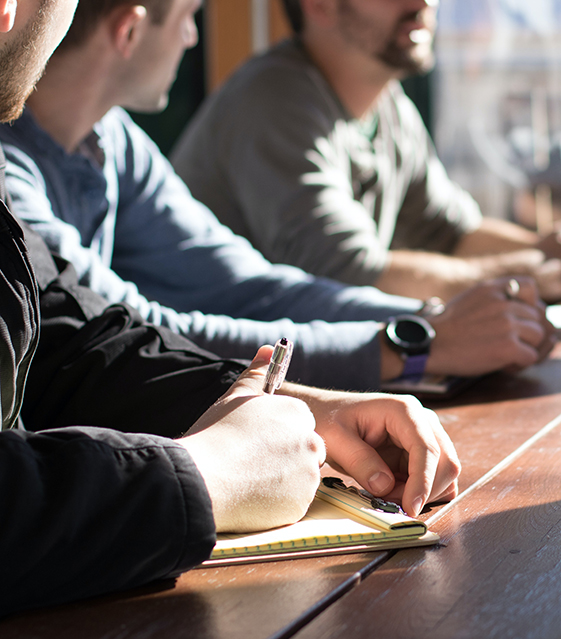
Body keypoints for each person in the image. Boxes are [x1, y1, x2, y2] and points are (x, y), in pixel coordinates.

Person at [0, 0, 463, 619]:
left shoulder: (110, 142)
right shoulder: (276, 98)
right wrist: (205, 474)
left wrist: (289, 404)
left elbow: (76, 339)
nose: (194, 36)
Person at [0, 0, 555, 391]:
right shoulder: (10, 177)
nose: (194, 37)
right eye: (193, 15)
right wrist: (415, 343)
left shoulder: (111, 138)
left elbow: (245, 284)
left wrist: (428, 319)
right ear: (128, 32)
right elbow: (131, 335)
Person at [171, 0, 561, 304]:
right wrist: (529, 275)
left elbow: (449, 232)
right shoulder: (273, 101)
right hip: (226, 380)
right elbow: (348, 273)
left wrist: (547, 247)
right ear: (320, 5)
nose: (423, 3)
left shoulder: (388, 103)